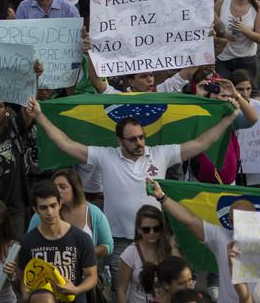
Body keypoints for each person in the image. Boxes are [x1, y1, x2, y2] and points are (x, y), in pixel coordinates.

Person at [29, 96, 240, 288]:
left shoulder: (161, 153)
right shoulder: (105, 156)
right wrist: (39, 115)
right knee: (121, 290)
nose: (139, 142)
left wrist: (228, 118)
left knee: (157, 288)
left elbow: (202, 142)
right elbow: (65, 144)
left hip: (154, 237)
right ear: (119, 140)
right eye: (133, 139)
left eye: (142, 137)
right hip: (118, 238)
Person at [18, 182, 98, 303]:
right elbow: (24, 279)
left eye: (53, 205)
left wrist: (76, 289)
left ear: (60, 204)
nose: (50, 212)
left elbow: (92, 276)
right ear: (35, 209)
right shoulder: (27, 241)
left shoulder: (81, 238)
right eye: (43, 207)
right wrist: (26, 295)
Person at [117, 206, 179, 303]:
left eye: (156, 228)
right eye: (146, 229)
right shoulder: (130, 253)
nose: (152, 232)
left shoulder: (169, 249)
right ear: (138, 229)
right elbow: (121, 290)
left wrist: (172, 244)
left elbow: (180, 273)